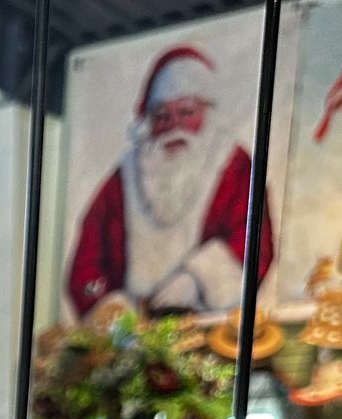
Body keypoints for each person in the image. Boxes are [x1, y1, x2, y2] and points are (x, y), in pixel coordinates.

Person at [65, 45, 273, 318]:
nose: (174, 126)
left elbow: (254, 242)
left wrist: (197, 279)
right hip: (134, 337)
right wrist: (110, 305)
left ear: (207, 113)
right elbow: (87, 262)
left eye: (186, 113)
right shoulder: (124, 179)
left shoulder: (235, 167)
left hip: (211, 332)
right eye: (162, 116)